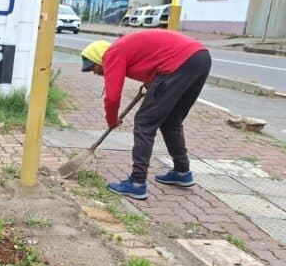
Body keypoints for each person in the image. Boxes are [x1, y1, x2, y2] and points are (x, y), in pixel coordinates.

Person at [81, 29, 212, 200]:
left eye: (93, 67)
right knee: (171, 121)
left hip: (181, 62)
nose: (95, 73)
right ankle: (182, 172)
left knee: (144, 122)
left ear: (99, 59)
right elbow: (155, 59)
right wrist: (152, 82)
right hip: (200, 58)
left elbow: (113, 97)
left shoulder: (112, 54)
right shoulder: (123, 48)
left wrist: (111, 120)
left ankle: (137, 183)